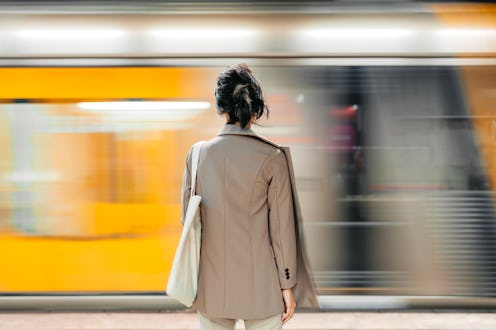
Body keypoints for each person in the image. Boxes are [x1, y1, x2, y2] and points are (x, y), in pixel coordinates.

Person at [181, 64, 318, 330]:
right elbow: (281, 230)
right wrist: (287, 284)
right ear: (255, 110)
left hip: (212, 285)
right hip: (263, 286)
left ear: (221, 109)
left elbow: (188, 222)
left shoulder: (197, 156)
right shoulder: (272, 157)